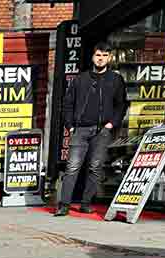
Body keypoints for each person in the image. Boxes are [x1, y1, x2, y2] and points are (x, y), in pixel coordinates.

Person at [56, 42, 127, 217]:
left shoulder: (115, 79)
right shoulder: (80, 79)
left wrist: (112, 123)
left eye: (104, 55)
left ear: (109, 57)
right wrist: (70, 126)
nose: (101, 58)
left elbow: (121, 104)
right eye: (98, 55)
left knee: (95, 167)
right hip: (80, 130)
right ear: (92, 57)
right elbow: (67, 104)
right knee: (72, 167)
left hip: (102, 130)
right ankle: (64, 205)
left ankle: (86, 203)